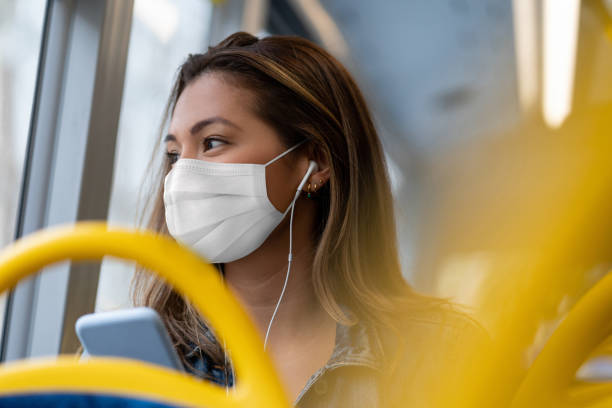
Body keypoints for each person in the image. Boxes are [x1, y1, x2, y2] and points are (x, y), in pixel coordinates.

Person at [131, 32, 488, 407]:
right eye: (174, 154)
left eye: (214, 142)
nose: (181, 175)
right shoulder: (138, 360)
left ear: (316, 162)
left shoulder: (440, 355)